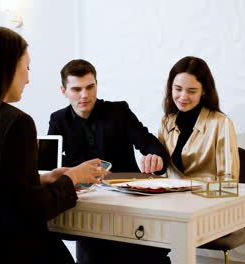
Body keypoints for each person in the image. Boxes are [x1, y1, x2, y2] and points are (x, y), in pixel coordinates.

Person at [0, 27, 107, 264]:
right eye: (27, 68)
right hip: (2, 252)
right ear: (8, 68)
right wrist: (72, 178)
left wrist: (39, 179)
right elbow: (33, 211)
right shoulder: (16, 123)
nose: (28, 78)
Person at [48, 59, 170, 263]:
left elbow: (148, 142)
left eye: (90, 87)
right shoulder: (58, 120)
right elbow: (52, 165)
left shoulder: (119, 111)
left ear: (96, 84)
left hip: (128, 203)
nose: (85, 95)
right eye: (77, 89)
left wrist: (155, 156)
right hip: (88, 206)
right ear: (64, 91)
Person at [159, 56, 240, 180]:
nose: (183, 97)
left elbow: (229, 180)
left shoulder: (221, 123)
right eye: (178, 89)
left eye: (191, 91)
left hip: (209, 198)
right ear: (171, 87)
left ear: (204, 91)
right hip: (172, 198)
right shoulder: (167, 122)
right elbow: (164, 175)